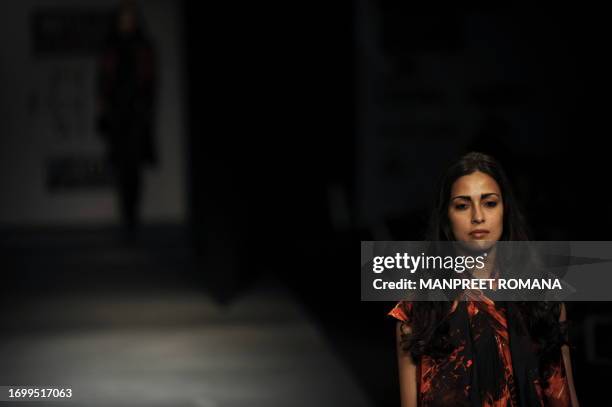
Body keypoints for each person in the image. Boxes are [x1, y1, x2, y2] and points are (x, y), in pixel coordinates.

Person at [388, 152, 579, 406]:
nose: (478, 216)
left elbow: (563, 394)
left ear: (505, 210)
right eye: (462, 205)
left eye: (489, 203)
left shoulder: (542, 302)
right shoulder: (420, 309)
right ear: (446, 217)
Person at [96, 0, 157, 239]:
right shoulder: (110, 47)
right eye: (123, 18)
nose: (127, 23)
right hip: (117, 114)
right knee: (122, 167)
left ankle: (133, 218)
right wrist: (103, 109)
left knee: (133, 168)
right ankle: (127, 217)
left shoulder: (143, 46)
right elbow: (102, 82)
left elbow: (151, 83)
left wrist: (147, 112)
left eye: (130, 18)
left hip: (137, 114)